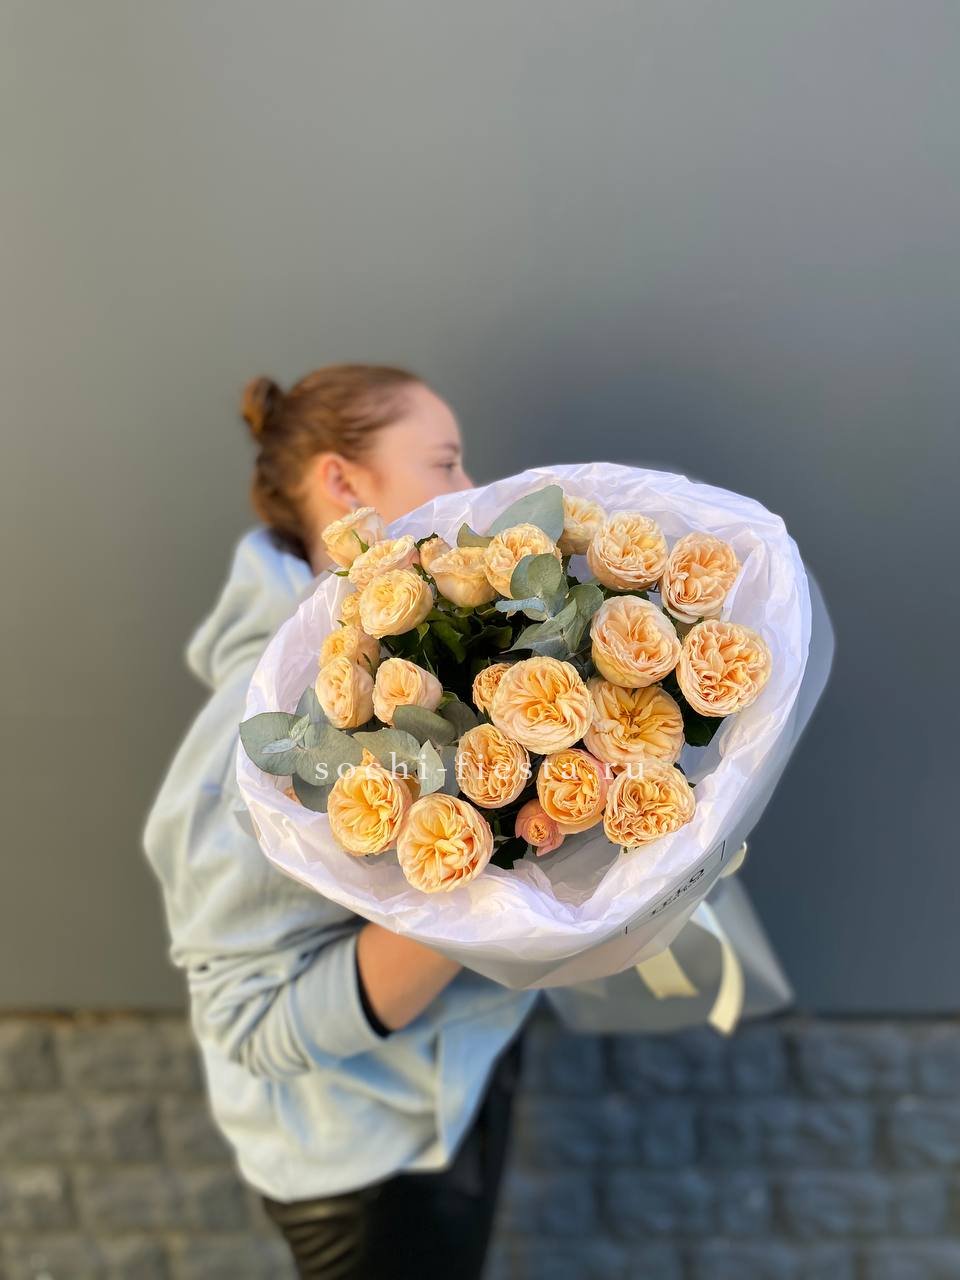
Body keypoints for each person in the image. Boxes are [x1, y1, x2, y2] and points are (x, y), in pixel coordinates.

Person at [143, 365, 539, 1279]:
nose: (472, 488)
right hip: (365, 1176)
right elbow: (252, 1020)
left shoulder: (411, 653)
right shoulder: (263, 716)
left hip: (448, 1096)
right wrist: (487, 870)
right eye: (445, 461)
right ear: (342, 481)